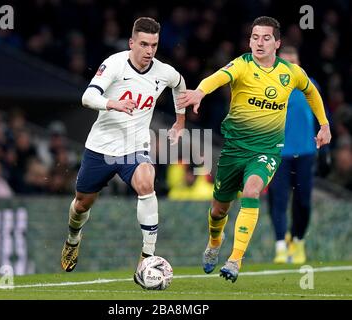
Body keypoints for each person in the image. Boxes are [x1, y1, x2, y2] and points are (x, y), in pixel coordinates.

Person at [177, 16, 331, 282]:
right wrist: (200, 92)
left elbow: (311, 92)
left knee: (252, 190)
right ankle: (215, 242)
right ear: (249, 41)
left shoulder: (291, 72)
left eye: (266, 38)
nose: (259, 43)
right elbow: (218, 77)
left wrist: (325, 124)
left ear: (277, 43)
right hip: (235, 150)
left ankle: (235, 259)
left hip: (268, 150)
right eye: (254, 37)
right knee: (218, 211)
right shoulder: (241, 65)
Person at [60, 17, 186, 286]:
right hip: (101, 147)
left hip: (135, 145)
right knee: (82, 203)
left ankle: (146, 256)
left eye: (153, 45)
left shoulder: (163, 71)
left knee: (146, 182)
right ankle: (73, 239)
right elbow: (87, 97)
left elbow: (180, 84)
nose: (149, 51)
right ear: (132, 43)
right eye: (143, 44)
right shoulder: (114, 64)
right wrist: (112, 103)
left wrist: (180, 120)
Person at [267, 46, 320, 264]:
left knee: (303, 202)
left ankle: (297, 240)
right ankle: (281, 245)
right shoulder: (267, 87)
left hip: (305, 153)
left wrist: (323, 147)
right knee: (277, 201)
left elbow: (321, 118)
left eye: (293, 61)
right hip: (278, 153)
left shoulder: (310, 86)